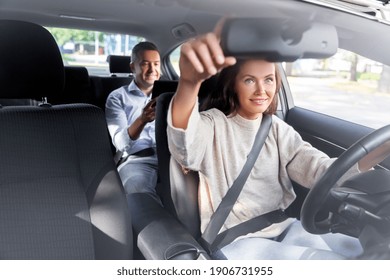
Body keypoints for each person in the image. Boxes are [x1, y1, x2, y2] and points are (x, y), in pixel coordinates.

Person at [167, 22, 389, 259]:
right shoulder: (213, 124)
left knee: (368, 251)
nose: (262, 90)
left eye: (269, 79)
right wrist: (189, 83)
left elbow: (322, 172)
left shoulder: (279, 130)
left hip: (286, 227)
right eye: (249, 80)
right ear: (233, 84)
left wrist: (384, 148)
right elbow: (185, 148)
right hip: (239, 241)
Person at [105, 41, 161, 203]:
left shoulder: (171, 95)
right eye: (145, 64)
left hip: (172, 157)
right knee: (138, 191)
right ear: (132, 67)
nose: (152, 70)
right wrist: (142, 120)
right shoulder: (117, 97)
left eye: (156, 64)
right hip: (137, 159)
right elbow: (121, 144)